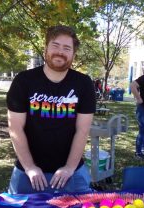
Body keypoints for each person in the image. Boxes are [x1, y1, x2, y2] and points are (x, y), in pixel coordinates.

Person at [6, 25, 96, 194]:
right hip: (27, 172)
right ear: (46, 48)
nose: (60, 52)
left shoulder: (83, 83)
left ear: (73, 54)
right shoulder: (23, 81)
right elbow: (15, 128)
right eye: (55, 45)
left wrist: (69, 167)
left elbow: (83, 130)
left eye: (67, 48)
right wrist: (30, 167)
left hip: (71, 172)